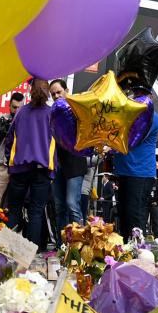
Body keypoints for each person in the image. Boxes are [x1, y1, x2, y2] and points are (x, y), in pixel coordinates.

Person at [1, 79, 57, 245]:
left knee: (14, 210)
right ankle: (31, 253)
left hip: (19, 168)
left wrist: (9, 159)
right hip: (42, 169)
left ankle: (7, 250)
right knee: (36, 212)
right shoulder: (51, 113)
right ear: (47, 92)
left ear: (30, 90)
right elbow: (57, 141)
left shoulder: (21, 112)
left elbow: (10, 138)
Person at [113, 106, 158, 241]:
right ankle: (124, 252)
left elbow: (134, 137)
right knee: (123, 214)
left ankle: (139, 253)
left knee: (135, 215)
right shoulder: (127, 114)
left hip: (140, 172)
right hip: (124, 171)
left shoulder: (152, 116)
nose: (135, 96)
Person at [49, 79, 88, 239]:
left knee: (72, 204)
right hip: (58, 164)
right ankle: (62, 245)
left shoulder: (77, 108)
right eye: (53, 94)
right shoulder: (53, 113)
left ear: (66, 90)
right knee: (59, 208)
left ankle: (81, 244)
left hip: (75, 164)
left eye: (59, 92)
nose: (56, 96)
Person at [147, 177, 158, 244]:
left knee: (156, 221)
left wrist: (157, 202)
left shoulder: (157, 182)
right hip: (145, 204)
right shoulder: (145, 180)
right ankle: (141, 236)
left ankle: (156, 237)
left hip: (154, 205)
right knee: (143, 220)